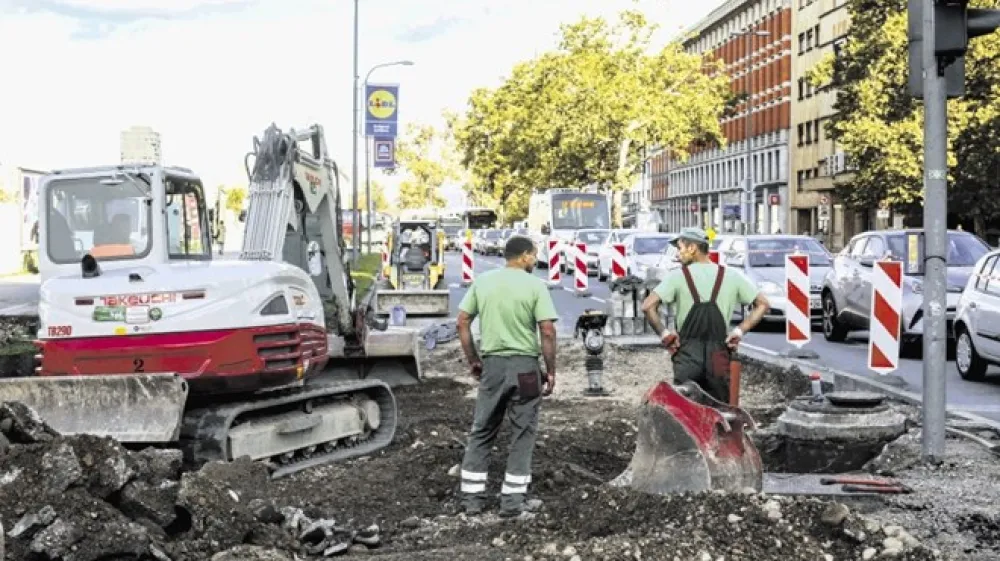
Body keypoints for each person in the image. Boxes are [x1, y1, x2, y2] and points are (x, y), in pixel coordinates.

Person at [455, 235, 558, 518]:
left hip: (493, 367)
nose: (535, 260)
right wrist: (550, 370)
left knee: (483, 428)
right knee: (523, 431)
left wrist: (473, 359)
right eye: (534, 255)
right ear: (524, 256)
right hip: (525, 368)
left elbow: (462, 320)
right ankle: (512, 502)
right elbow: (547, 330)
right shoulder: (536, 286)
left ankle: (472, 501)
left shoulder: (483, 282)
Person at [641, 227, 769, 403]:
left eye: (680, 248)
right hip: (718, 354)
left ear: (692, 248)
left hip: (687, 355)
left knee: (685, 410)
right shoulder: (731, 275)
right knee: (719, 409)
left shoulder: (678, 276)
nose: (678, 254)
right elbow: (763, 304)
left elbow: (648, 306)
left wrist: (666, 335)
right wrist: (739, 332)